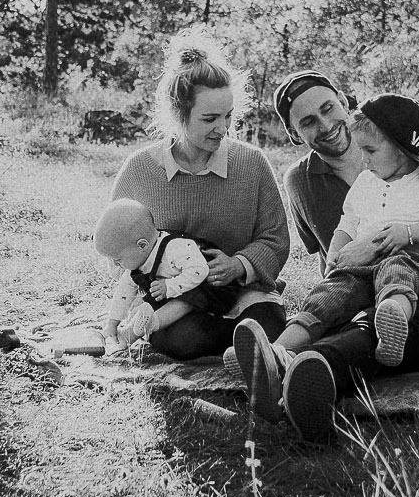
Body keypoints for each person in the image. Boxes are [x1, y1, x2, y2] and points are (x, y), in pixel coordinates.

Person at [236, 70, 419, 441]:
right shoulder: (300, 180)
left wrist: (387, 242)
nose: (326, 125)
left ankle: (305, 374)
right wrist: (335, 284)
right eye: (308, 122)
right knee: (342, 316)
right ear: (295, 134)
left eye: (328, 108)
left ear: (343, 101)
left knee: (374, 328)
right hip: (358, 293)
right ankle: (281, 362)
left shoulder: (413, 152)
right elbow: (330, 256)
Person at [105, 37, 291, 360]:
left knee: (267, 323)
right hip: (174, 301)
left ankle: (248, 342)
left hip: (243, 294)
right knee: (181, 340)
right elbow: (116, 250)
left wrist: (238, 265)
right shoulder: (139, 170)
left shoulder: (252, 163)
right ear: (178, 114)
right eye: (210, 119)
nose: (223, 128)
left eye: (228, 116)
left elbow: (275, 238)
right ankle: (243, 348)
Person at [264, 94, 419, 380]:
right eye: (362, 150)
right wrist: (335, 254)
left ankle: (392, 324)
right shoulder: (365, 181)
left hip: (404, 259)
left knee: (398, 275)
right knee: (325, 298)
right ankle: (275, 352)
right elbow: (348, 222)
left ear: (401, 149)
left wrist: (407, 233)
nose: (364, 158)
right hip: (357, 270)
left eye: (370, 150)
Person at [93, 197, 214, 351]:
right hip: (172, 293)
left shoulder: (175, 248)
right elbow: (123, 293)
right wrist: (112, 323)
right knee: (152, 303)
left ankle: (135, 332)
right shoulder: (137, 264)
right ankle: (140, 326)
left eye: (117, 260)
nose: (115, 265)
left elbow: (199, 270)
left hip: (208, 287)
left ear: (142, 245)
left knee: (184, 301)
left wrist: (169, 286)